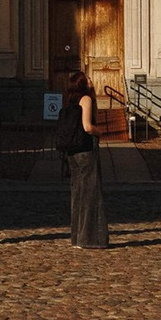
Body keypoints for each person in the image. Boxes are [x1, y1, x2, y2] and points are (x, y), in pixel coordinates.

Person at [57, 69, 110, 248]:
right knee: (91, 194)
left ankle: (77, 238)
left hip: (72, 151)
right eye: (88, 79)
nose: (91, 80)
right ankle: (90, 239)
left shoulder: (70, 100)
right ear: (83, 84)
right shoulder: (86, 99)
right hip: (86, 150)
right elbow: (87, 127)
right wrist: (100, 132)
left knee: (78, 194)